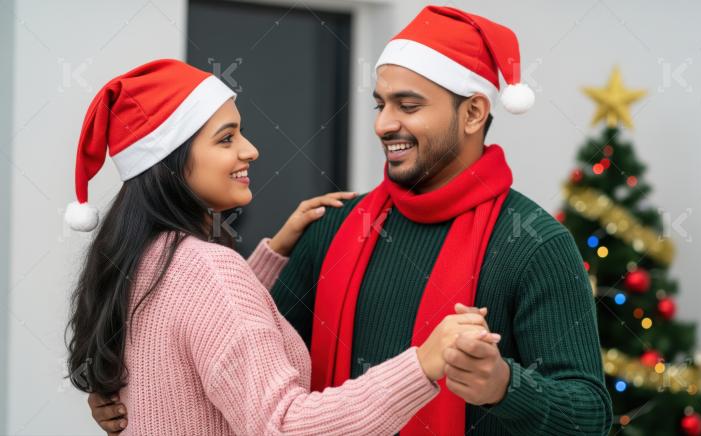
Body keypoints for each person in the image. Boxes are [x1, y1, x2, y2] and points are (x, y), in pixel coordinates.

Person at [92, 6, 614, 435]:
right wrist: (130, 390)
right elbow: (230, 348)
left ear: (473, 113)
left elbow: (591, 414)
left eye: (408, 105)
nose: (385, 124)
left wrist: (505, 386)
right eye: (380, 104)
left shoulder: (534, 244)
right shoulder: (332, 226)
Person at [66, 59, 497, 435]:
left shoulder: (141, 258)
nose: (250, 150)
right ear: (171, 165)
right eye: (226, 138)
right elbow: (283, 426)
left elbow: (200, 327)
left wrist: (273, 255)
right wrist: (423, 363)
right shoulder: (209, 269)